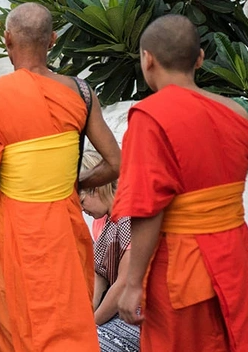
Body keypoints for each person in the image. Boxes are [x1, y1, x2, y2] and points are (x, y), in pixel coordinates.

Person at [113, 15, 248, 351]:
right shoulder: (240, 113)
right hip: (233, 258)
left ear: (147, 59)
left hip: (179, 265)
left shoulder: (149, 117)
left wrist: (133, 282)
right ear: (199, 59)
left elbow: (149, 208)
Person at [0, 3, 122, 352]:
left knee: (15, 321)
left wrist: (3, 199)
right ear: (52, 40)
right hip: (64, 226)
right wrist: (72, 185)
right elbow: (114, 162)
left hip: (13, 227)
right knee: (65, 322)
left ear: (7, 40)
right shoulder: (80, 92)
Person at [75, 150, 139, 352]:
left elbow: (124, 284)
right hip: (119, 309)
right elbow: (99, 279)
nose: (82, 210)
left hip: (139, 311)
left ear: (96, 189)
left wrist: (92, 324)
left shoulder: (129, 216)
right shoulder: (105, 224)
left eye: (82, 202)